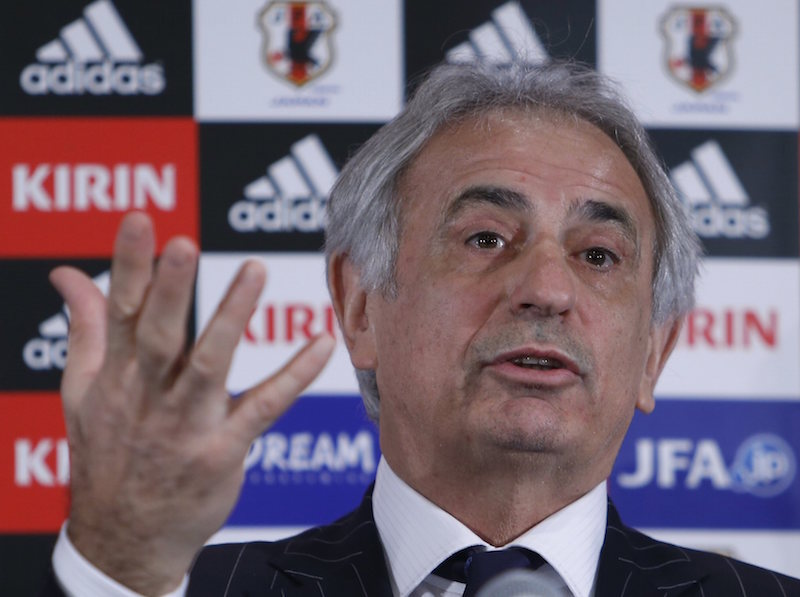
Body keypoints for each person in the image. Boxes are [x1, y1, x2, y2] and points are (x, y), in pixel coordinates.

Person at [42, 61, 799, 597]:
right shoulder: (177, 589)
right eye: (485, 238)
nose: (545, 288)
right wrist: (123, 556)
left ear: (654, 355)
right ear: (362, 304)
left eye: (598, 253)